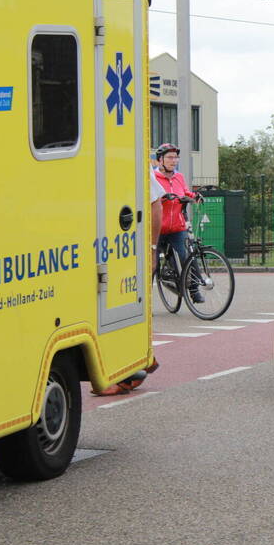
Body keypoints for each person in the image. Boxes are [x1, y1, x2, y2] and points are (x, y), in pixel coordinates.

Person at [92, 170, 164, 396]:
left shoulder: (138, 163)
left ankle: (130, 370)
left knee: (123, 307)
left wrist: (152, 250)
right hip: (101, 245)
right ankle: (140, 361)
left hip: (127, 248)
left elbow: (155, 203)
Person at [153, 142, 204, 303]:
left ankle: (194, 290)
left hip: (177, 227)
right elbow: (147, 197)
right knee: (151, 263)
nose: (173, 160)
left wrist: (194, 196)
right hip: (157, 228)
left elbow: (185, 192)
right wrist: (162, 197)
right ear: (160, 160)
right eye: (169, 157)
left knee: (187, 255)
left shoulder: (179, 177)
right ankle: (146, 303)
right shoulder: (153, 177)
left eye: (176, 157)